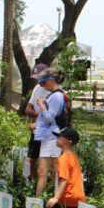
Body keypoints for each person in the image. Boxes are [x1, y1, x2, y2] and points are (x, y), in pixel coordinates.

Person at [43, 126, 85, 208]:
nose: (56, 139)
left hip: (67, 197)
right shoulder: (73, 156)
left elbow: (64, 180)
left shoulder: (63, 158)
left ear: (66, 141)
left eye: (59, 137)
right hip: (77, 197)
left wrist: (55, 198)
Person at [34, 68, 67, 198]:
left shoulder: (57, 96)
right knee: (53, 171)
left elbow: (49, 118)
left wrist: (41, 104)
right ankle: (51, 199)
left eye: (43, 83)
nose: (42, 86)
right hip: (50, 136)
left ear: (51, 80)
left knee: (42, 171)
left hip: (51, 137)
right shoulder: (55, 95)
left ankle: (37, 204)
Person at [25, 64, 51, 177]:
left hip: (48, 132)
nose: (38, 81)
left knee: (46, 162)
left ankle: (46, 185)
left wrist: (38, 122)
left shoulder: (54, 92)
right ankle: (32, 182)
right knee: (32, 159)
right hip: (37, 131)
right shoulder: (37, 88)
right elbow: (27, 109)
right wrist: (36, 113)